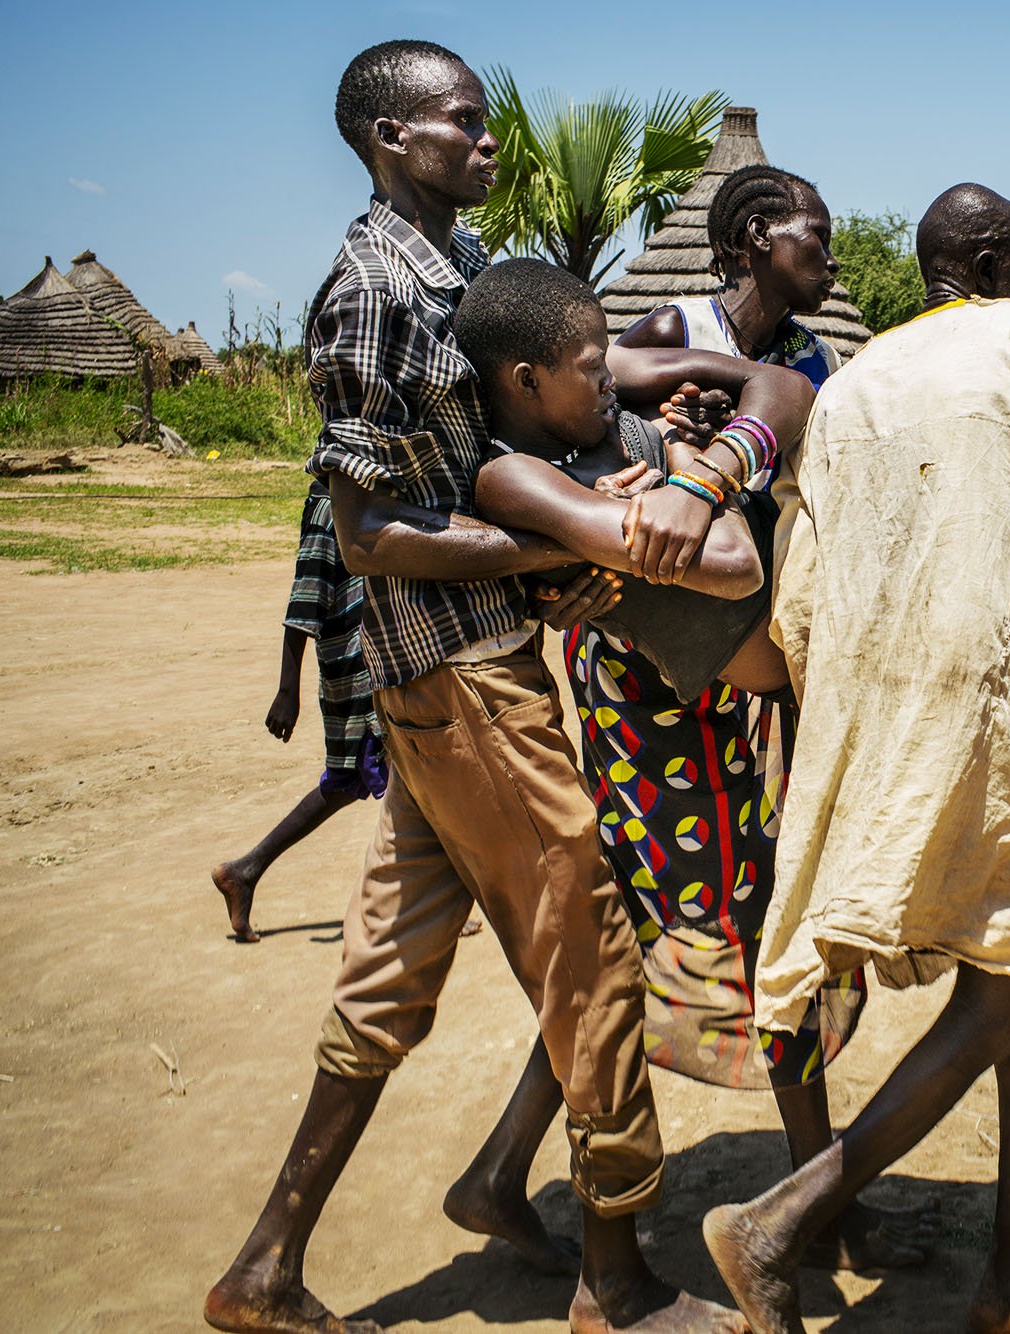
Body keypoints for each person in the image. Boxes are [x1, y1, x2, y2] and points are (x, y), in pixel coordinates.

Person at [203, 42, 747, 1334]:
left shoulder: (451, 275)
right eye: (461, 122)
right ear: (390, 137)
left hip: (446, 691)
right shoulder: (373, 297)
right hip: (465, 683)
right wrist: (577, 541)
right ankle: (616, 1285)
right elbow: (375, 531)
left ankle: (265, 1269)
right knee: (596, 955)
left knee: (386, 973)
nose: (486, 140)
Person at [700, 183, 1010, 1334]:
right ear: (987, 263)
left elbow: (806, 582)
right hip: (979, 692)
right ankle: (780, 1219)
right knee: (1005, 982)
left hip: (865, 699)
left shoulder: (857, 374)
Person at [604, 165, 933, 1271]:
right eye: (815, 236)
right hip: (655, 672)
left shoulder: (811, 363)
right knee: (661, 918)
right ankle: (553, 1180)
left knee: (761, 915)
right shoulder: (674, 325)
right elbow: (605, 394)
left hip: (756, 676)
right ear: (751, 237)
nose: (830, 257)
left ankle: (814, 1192)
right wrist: (706, 387)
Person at [211, 486, 385, 943]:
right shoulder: (331, 505)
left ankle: (245, 871)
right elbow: (304, 598)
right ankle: (406, 903)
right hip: (356, 669)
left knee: (357, 781)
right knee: (396, 778)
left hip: (378, 663)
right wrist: (288, 691)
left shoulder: (365, 494)